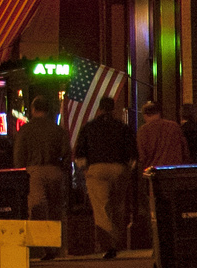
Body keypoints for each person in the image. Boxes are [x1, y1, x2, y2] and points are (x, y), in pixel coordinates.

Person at [74, 96, 137, 258]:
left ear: (99, 109)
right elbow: (132, 152)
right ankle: (118, 239)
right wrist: (128, 169)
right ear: (113, 109)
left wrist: (85, 169)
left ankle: (109, 244)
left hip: (97, 169)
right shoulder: (122, 127)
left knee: (102, 208)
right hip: (119, 168)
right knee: (118, 205)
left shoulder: (90, 127)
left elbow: (80, 152)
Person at [13, 96, 68, 258]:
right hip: (55, 170)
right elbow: (66, 153)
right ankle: (57, 247)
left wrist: (21, 173)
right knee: (55, 210)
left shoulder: (26, 130)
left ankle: (40, 247)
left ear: (33, 109)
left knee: (36, 209)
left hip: (34, 171)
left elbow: (19, 154)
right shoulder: (58, 129)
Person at [136, 101, 188, 171]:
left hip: (154, 171)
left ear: (145, 115)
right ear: (159, 113)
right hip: (175, 170)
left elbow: (142, 155)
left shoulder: (143, 130)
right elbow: (184, 150)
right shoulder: (174, 126)